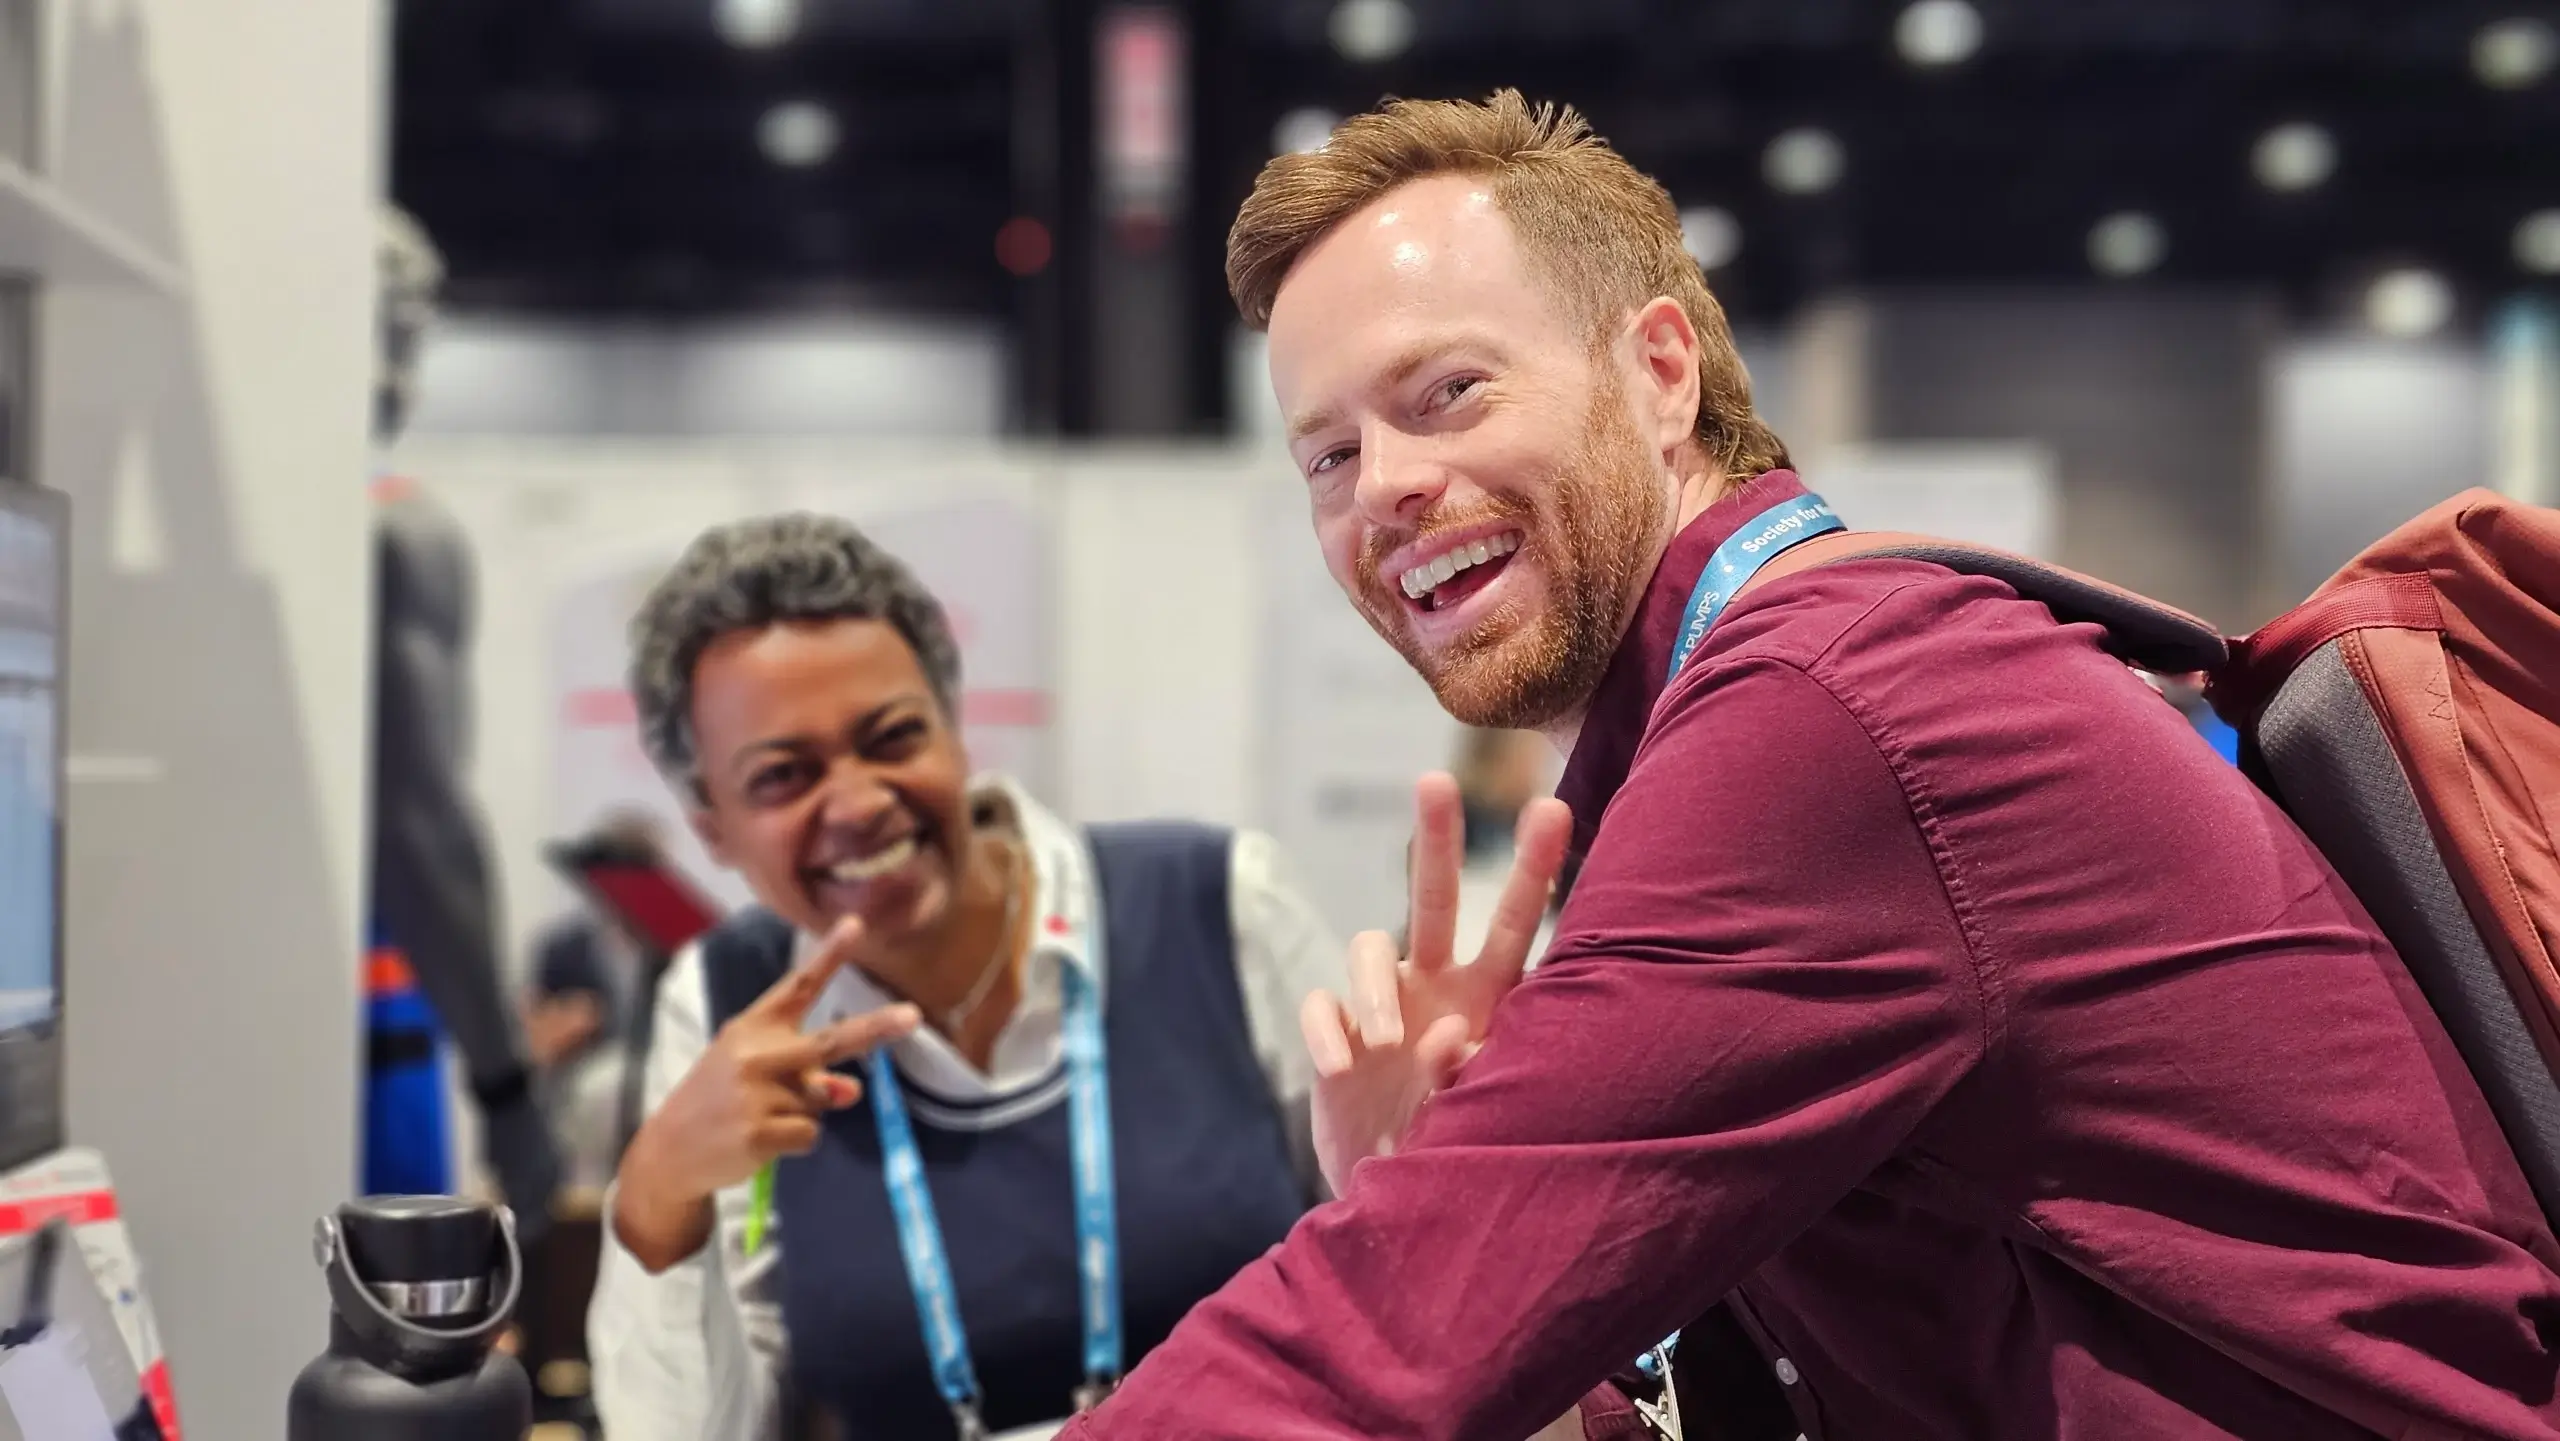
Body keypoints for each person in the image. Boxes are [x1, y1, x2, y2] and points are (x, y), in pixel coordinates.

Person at [1057, 91, 2560, 1440]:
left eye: (1447, 392)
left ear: (1658, 371)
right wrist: (1453, 1195)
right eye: (1328, 456)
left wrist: (1446, 1211)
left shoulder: (1831, 710)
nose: (1384, 486)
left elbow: (1379, 1345)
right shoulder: (1756, 707)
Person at [586, 514, 1341, 1441]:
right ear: (713, 831)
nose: (860, 802)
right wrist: (663, 1197)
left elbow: (1390, 1282)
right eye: (784, 775)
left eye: (893, 736)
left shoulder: (1218, 905)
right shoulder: (724, 1004)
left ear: (954, 729)